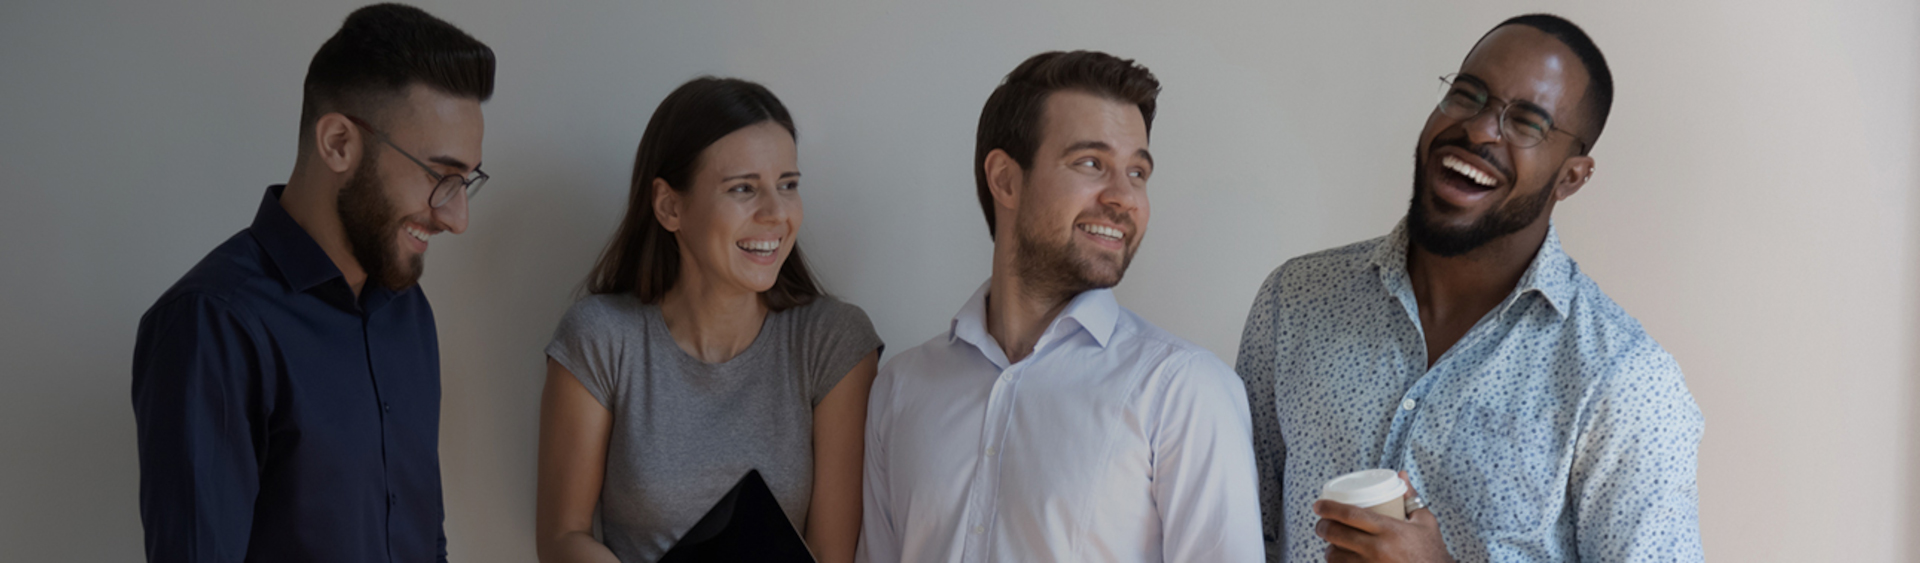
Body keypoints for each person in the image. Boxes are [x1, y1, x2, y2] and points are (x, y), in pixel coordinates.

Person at [1235, 14, 1704, 563]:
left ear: (1571, 176)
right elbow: (1241, 536)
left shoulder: (1623, 381)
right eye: (1467, 95)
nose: (1480, 130)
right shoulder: (1295, 301)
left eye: (1528, 123)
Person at [858, 50, 1264, 563]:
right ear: (1005, 179)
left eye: (1137, 172)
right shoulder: (901, 390)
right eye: (1091, 163)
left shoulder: (1184, 391)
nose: (1124, 198)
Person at [129, 4, 493, 562]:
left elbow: (423, 536)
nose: (457, 217)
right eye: (439, 176)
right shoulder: (212, 323)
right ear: (339, 143)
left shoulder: (407, 310)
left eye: (466, 182)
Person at [536, 77, 882, 563]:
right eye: (743, 188)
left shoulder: (832, 342)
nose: (776, 213)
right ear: (669, 205)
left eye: (788, 185)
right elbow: (562, 537)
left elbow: (830, 553)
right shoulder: (599, 337)